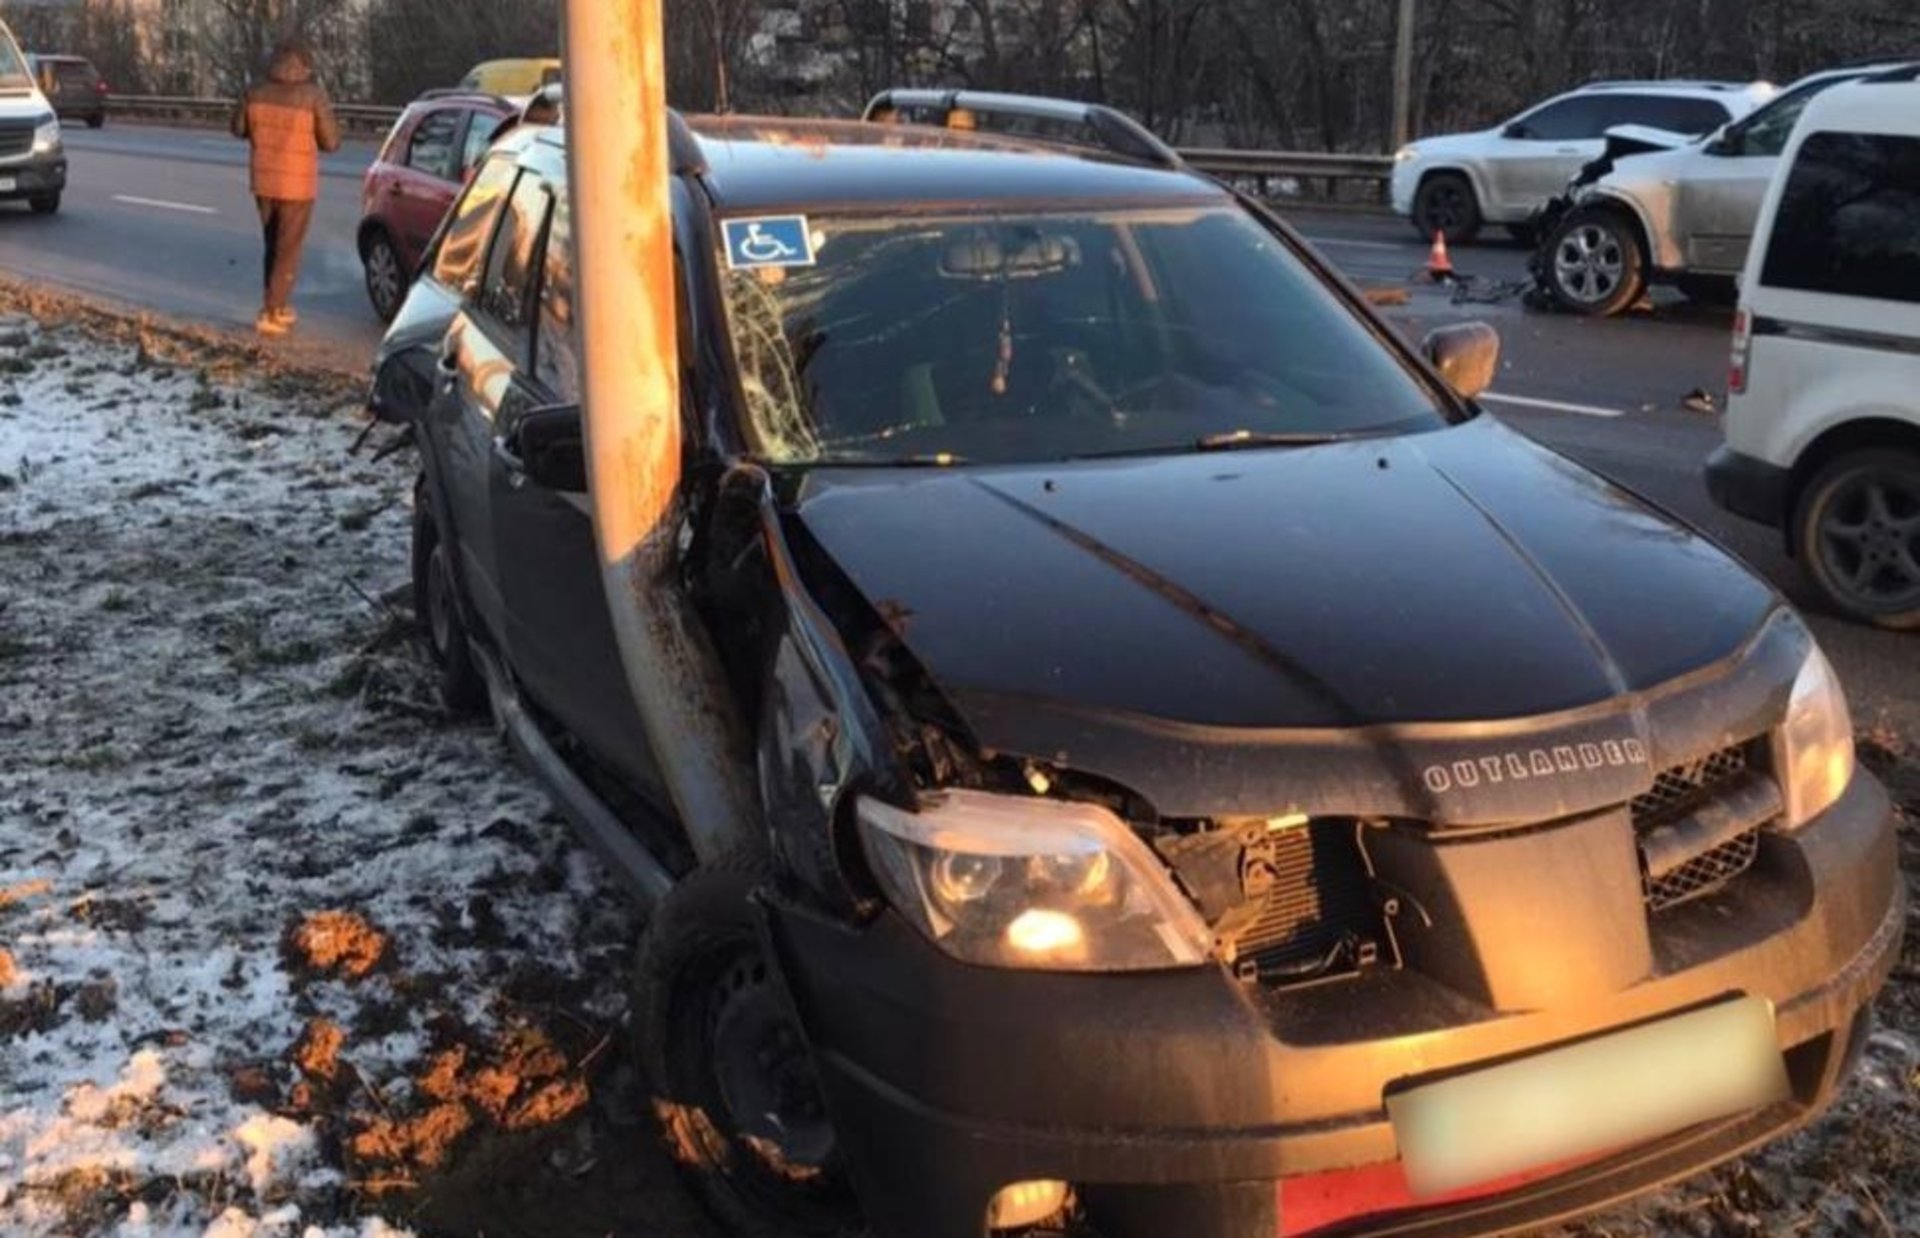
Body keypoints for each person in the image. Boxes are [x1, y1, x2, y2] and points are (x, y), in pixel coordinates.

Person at [231, 40, 340, 336]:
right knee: (288, 249)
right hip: (297, 183)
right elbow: (331, 142)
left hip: (264, 181)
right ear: (304, 65)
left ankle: (277, 305)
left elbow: (237, 128)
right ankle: (271, 311)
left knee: (273, 244)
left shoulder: (255, 91)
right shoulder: (312, 95)